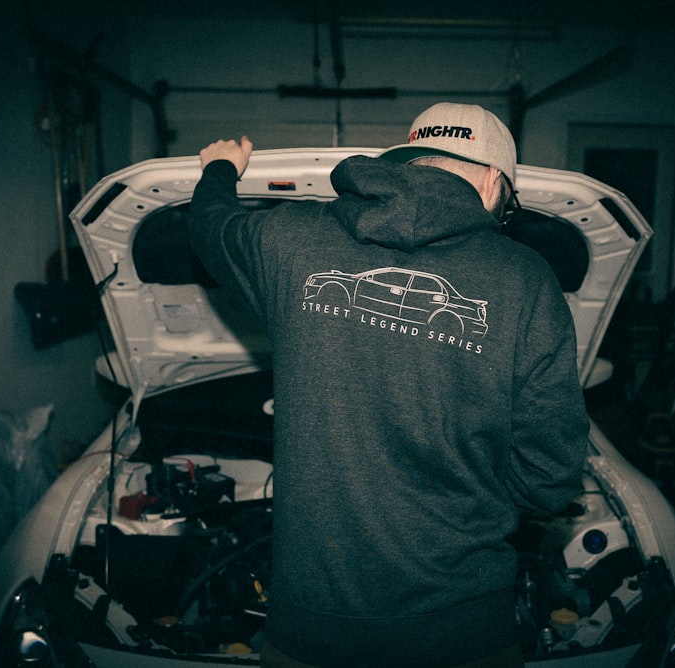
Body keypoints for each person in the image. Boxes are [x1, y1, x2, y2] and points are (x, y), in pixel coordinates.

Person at [187, 102, 590, 667]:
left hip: (311, 631)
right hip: (463, 629)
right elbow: (549, 480)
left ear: (408, 159)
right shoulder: (525, 281)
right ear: (495, 182)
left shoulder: (291, 243)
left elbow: (209, 228)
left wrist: (221, 168)